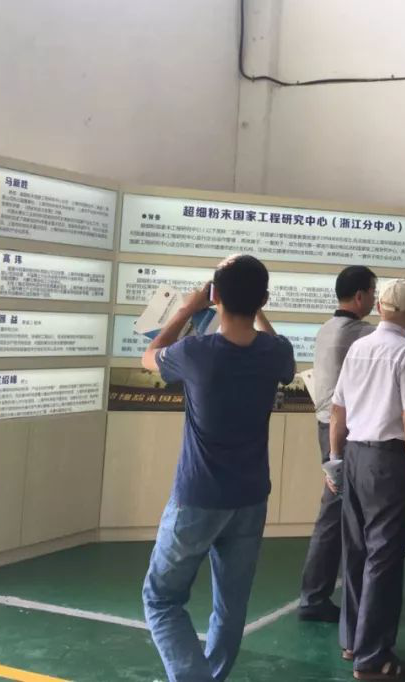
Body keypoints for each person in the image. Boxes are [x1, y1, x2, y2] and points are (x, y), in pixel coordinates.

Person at [140, 255, 295, 682]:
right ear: (263, 299)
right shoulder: (276, 352)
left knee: (161, 599)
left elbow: (149, 356)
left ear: (216, 296)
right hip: (251, 497)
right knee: (231, 605)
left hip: (198, 496)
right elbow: (281, 356)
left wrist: (186, 310)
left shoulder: (195, 352)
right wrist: (257, 310)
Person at [327, 279, 405, 680]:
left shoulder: (359, 347)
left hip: (355, 454)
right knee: (383, 559)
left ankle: (353, 641)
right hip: (390, 461)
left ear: (380, 307)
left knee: (355, 551)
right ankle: (373, 658)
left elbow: (338, 409)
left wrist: (335, 460)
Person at [300, 266, 405, 622]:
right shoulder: (358, 333)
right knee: (339, 516)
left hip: (330, 427)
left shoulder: (327, 328)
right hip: (345, 432)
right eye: (374, 292)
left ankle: (326, 596)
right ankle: (317, 597)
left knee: (339, 513)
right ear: (361, 296)